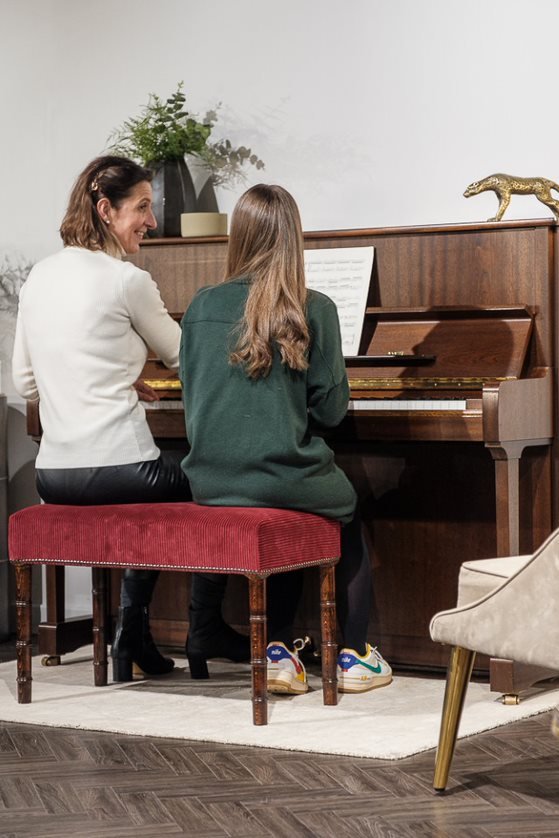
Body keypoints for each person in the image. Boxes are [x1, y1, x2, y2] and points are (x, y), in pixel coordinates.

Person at [11, 154, 248, 683]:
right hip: (120, 468)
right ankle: (200, 626)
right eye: (141, 207)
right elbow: (193, 362)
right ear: (104, 209)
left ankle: (131, 635)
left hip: (54, 476)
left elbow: (25, 384)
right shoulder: (126, 280)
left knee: (160, 491)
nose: (152, 220)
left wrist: (102, 378)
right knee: (215, 479)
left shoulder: (39, 278)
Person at [179, 183, 392, 694]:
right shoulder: (312, 307)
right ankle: (356, 656)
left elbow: (193, 394)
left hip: (210, 480)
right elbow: (331, 410)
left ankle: (279, 650)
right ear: (293, 239)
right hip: (282, 474)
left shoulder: (200, 305)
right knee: (341, 513)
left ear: (238, 237)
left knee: (289, 510)